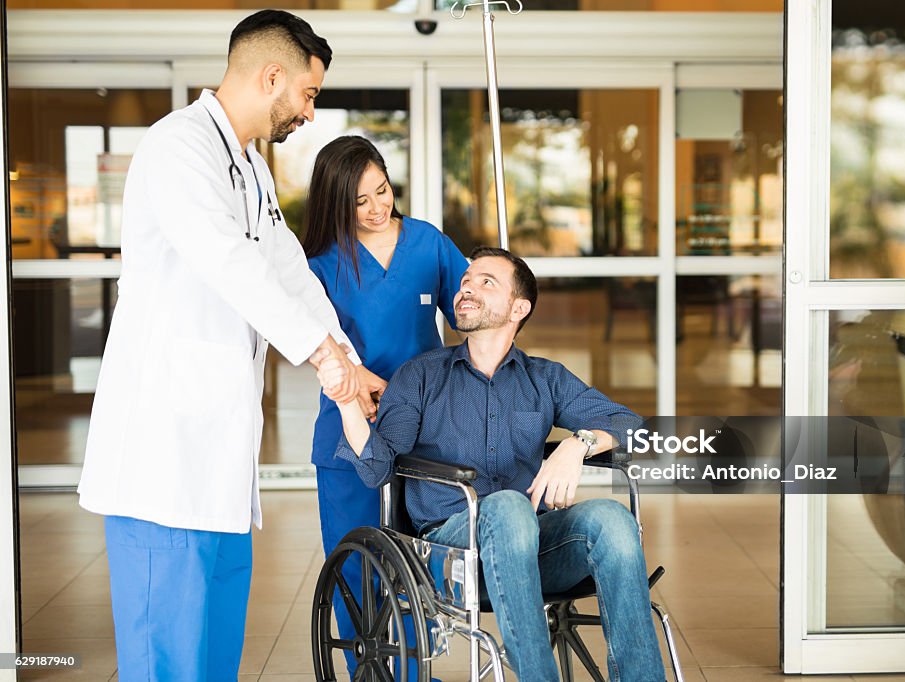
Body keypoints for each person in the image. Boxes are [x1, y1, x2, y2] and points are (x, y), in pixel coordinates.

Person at [77, 10, 367, 680]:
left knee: (212, 661)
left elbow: (287, 270)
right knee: (165, 663)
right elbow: (229, 262)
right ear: (272, 76)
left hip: (219, 468)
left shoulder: (252, 171)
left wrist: (348, 363)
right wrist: (325, 362)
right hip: (163, 462)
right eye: (308, 94)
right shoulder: (176, 147)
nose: (309, 113)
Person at [319, 247, 666, 682]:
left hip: (532, 549)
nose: (467, 288)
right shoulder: (421, 375)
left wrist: (578, 444)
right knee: (506, 506)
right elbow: (377, 469)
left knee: (611, 519)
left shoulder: (545, 378)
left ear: (518, 308)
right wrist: (347, 404)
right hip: (448, 557)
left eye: (487, 282)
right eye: (467, 280)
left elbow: (630, 423)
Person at [302, 135, 467, 677]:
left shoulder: (426, 244)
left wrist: (495, 301)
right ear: (335, 202)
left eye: (383, 191)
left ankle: (416, 671)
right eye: (361, 201)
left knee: (421, 571)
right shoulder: (320, 266)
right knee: (355, 569)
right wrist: (352, 379)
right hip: (349, 433)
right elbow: (312, 346)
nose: (378, 209)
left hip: (425, 434)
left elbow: (466, 310)